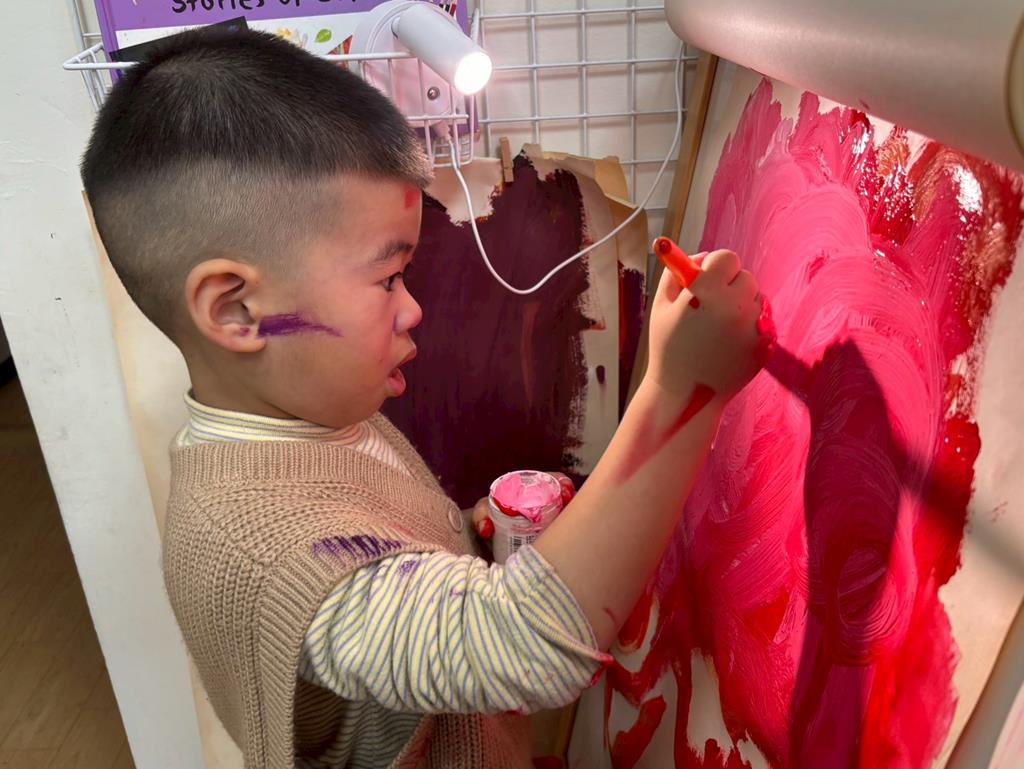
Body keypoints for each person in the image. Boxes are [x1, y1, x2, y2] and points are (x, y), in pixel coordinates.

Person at [81, 27, 765, 769]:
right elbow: (526, 647)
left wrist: (457, 537)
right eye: (387, 279)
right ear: (236, 310)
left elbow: (376, 550)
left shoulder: (315, 416)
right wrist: (683, 388)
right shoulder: (261, 552)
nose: (411, 309)